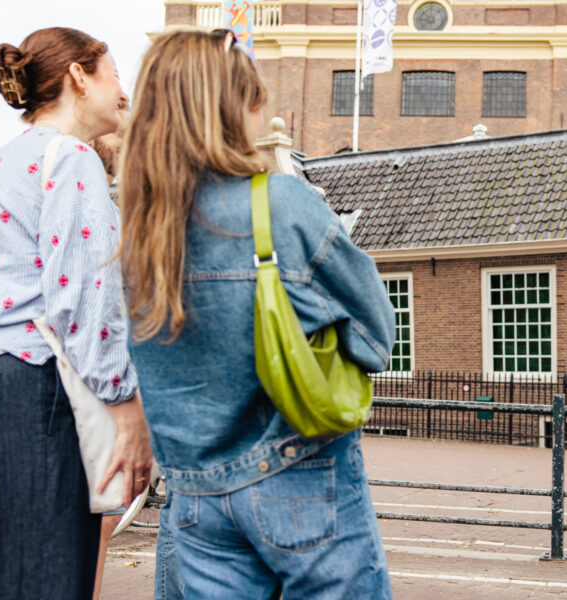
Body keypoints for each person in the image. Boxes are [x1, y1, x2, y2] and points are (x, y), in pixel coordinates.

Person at [118, 29, 395, 599]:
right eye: (252, 98)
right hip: (299, 475)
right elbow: (375, 335)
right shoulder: (280, 204)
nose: (260, 112)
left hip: (196, 498)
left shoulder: (137, 235)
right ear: (230, 108)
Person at [0, 27, 152, 600]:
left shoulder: (5, 162)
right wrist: (127, 411)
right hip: (42, 389)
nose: (124, 94)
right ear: (79, 78)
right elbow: (83, 300)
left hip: (1, 377)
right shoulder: (72, 160)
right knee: (51, 572)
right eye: (113, 76)